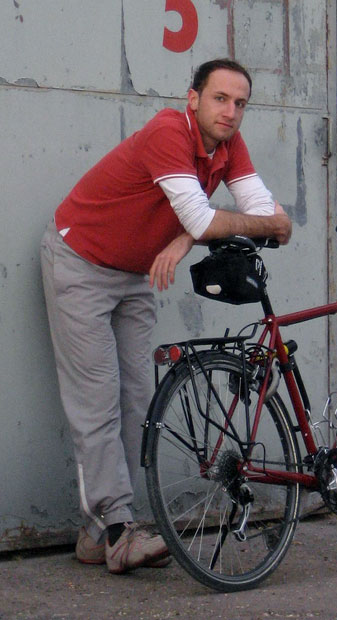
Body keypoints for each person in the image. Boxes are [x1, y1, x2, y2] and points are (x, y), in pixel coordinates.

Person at [40, 59, 292, 574]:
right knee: (96, 400)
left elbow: (270, 220)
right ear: (192, 99)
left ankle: (97, 535)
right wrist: (204, 228)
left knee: (138, 399)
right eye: (220, 98)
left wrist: (185, 238)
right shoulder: (168, 133)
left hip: (135, 273)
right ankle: (117, 529)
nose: (230, 111)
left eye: (240, 103)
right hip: (80, 262)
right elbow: (230, 218)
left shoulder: (229, 146)